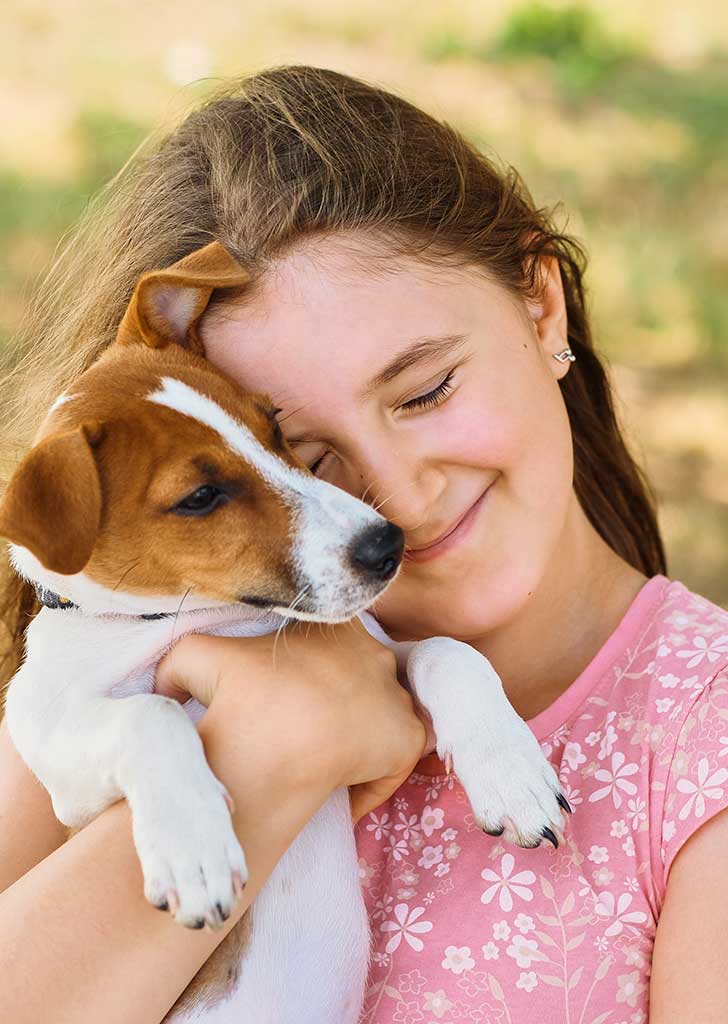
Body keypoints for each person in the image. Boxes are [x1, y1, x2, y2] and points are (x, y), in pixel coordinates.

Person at [0, 65, 726, 1023]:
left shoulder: (695, 741)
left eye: (425, 392)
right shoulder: (138, 657)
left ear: (541, 305)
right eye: (301, 453)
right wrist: (268, 755)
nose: (397, 500)